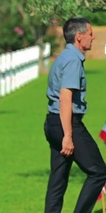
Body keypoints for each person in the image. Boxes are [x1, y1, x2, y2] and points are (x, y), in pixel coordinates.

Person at [44, 17, 106, 213]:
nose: (93, 37)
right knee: (98, 172)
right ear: (79, 37)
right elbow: (65, 98)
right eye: (90, 34)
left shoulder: (63, 57)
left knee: (58, 179)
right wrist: (68, 136)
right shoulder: (73, 61)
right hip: (66, 123)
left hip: (52, 122)